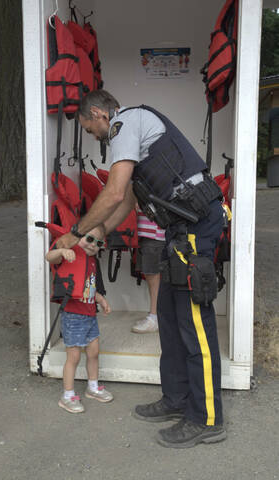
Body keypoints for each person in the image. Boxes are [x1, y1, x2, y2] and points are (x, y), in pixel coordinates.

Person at [55, 90, 226, 447]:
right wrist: (99, 232)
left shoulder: (126, 124)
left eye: (90, 129)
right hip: (178, 229)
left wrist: (75, 233)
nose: (93, 136)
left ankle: (206, 418)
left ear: (100, 114)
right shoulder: (129, 136)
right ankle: (177, 399)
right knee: (168, 315)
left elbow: (114, 193)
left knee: (195, 322)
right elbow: (130, 197)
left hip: (196, 223)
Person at [46, 225, 113, 414]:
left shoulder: (92, 262)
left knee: (94, 353)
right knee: (73, 357)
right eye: (89, 239)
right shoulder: (70, 254)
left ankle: (93, 387)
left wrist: (101, 300)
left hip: (90, 314)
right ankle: (67, 396)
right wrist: (61, 250)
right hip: (73, 315)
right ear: (78, 237)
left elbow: (91, 288)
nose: (93, 245)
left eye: (98, 243)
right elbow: (48, 257)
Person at [131, 207, 165, 333]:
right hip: (148, 230)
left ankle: (154, 318)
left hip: (155, 231)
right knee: (151, 276)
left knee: (153, 276)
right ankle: (155, 316)